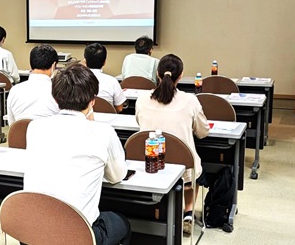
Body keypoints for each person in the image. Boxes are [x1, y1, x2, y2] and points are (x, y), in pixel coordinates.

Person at [24, 63, 131, 245]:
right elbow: (116, 176)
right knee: (122, 223)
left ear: (55, 99)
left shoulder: (34, 127)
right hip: (77, 236)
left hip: (32, 234)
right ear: (92, 101)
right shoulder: (103, 132)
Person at [134, 54, 209, 235]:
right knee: (195, 169)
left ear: (158, 75)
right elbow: (203, 131)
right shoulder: (190, 100)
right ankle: (188, 212)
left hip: (150, 162)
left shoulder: (142, 99)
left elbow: (139, 124)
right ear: (181, 76)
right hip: (182, 167)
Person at [7, 44, 59, 125]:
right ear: (53, 66)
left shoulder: (14, 90)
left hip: (21, 137)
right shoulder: (58, 92)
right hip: (49, 137)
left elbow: (12, 125)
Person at [84, 43, 126, 113]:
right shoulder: (112, 81)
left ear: (85, 61)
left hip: (84, 121)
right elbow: (119, 108)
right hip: (109, 121)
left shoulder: (75, 80)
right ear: (104, 62)